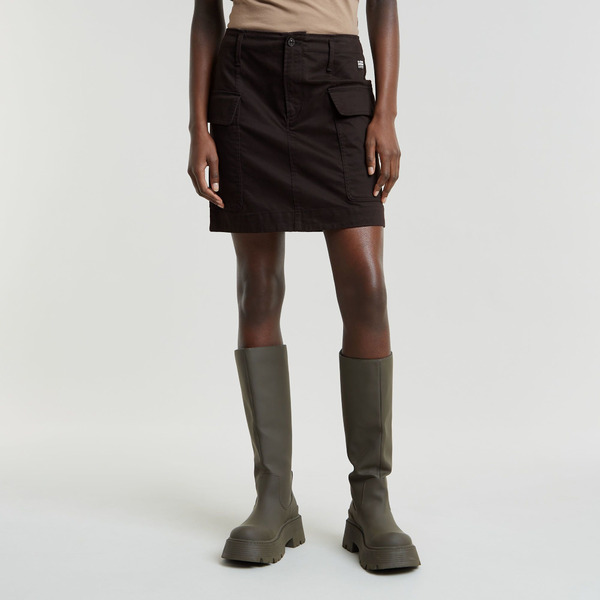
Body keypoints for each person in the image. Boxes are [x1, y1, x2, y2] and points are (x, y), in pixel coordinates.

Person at [187, 0, 420, 571]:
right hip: (245, 82)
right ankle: (274, 498)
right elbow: (205, 13)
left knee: (367, 289)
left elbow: (383, 7)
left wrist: (386, 114)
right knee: (258, 287)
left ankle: (371, 500)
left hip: (337, 82)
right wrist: (198, 128)